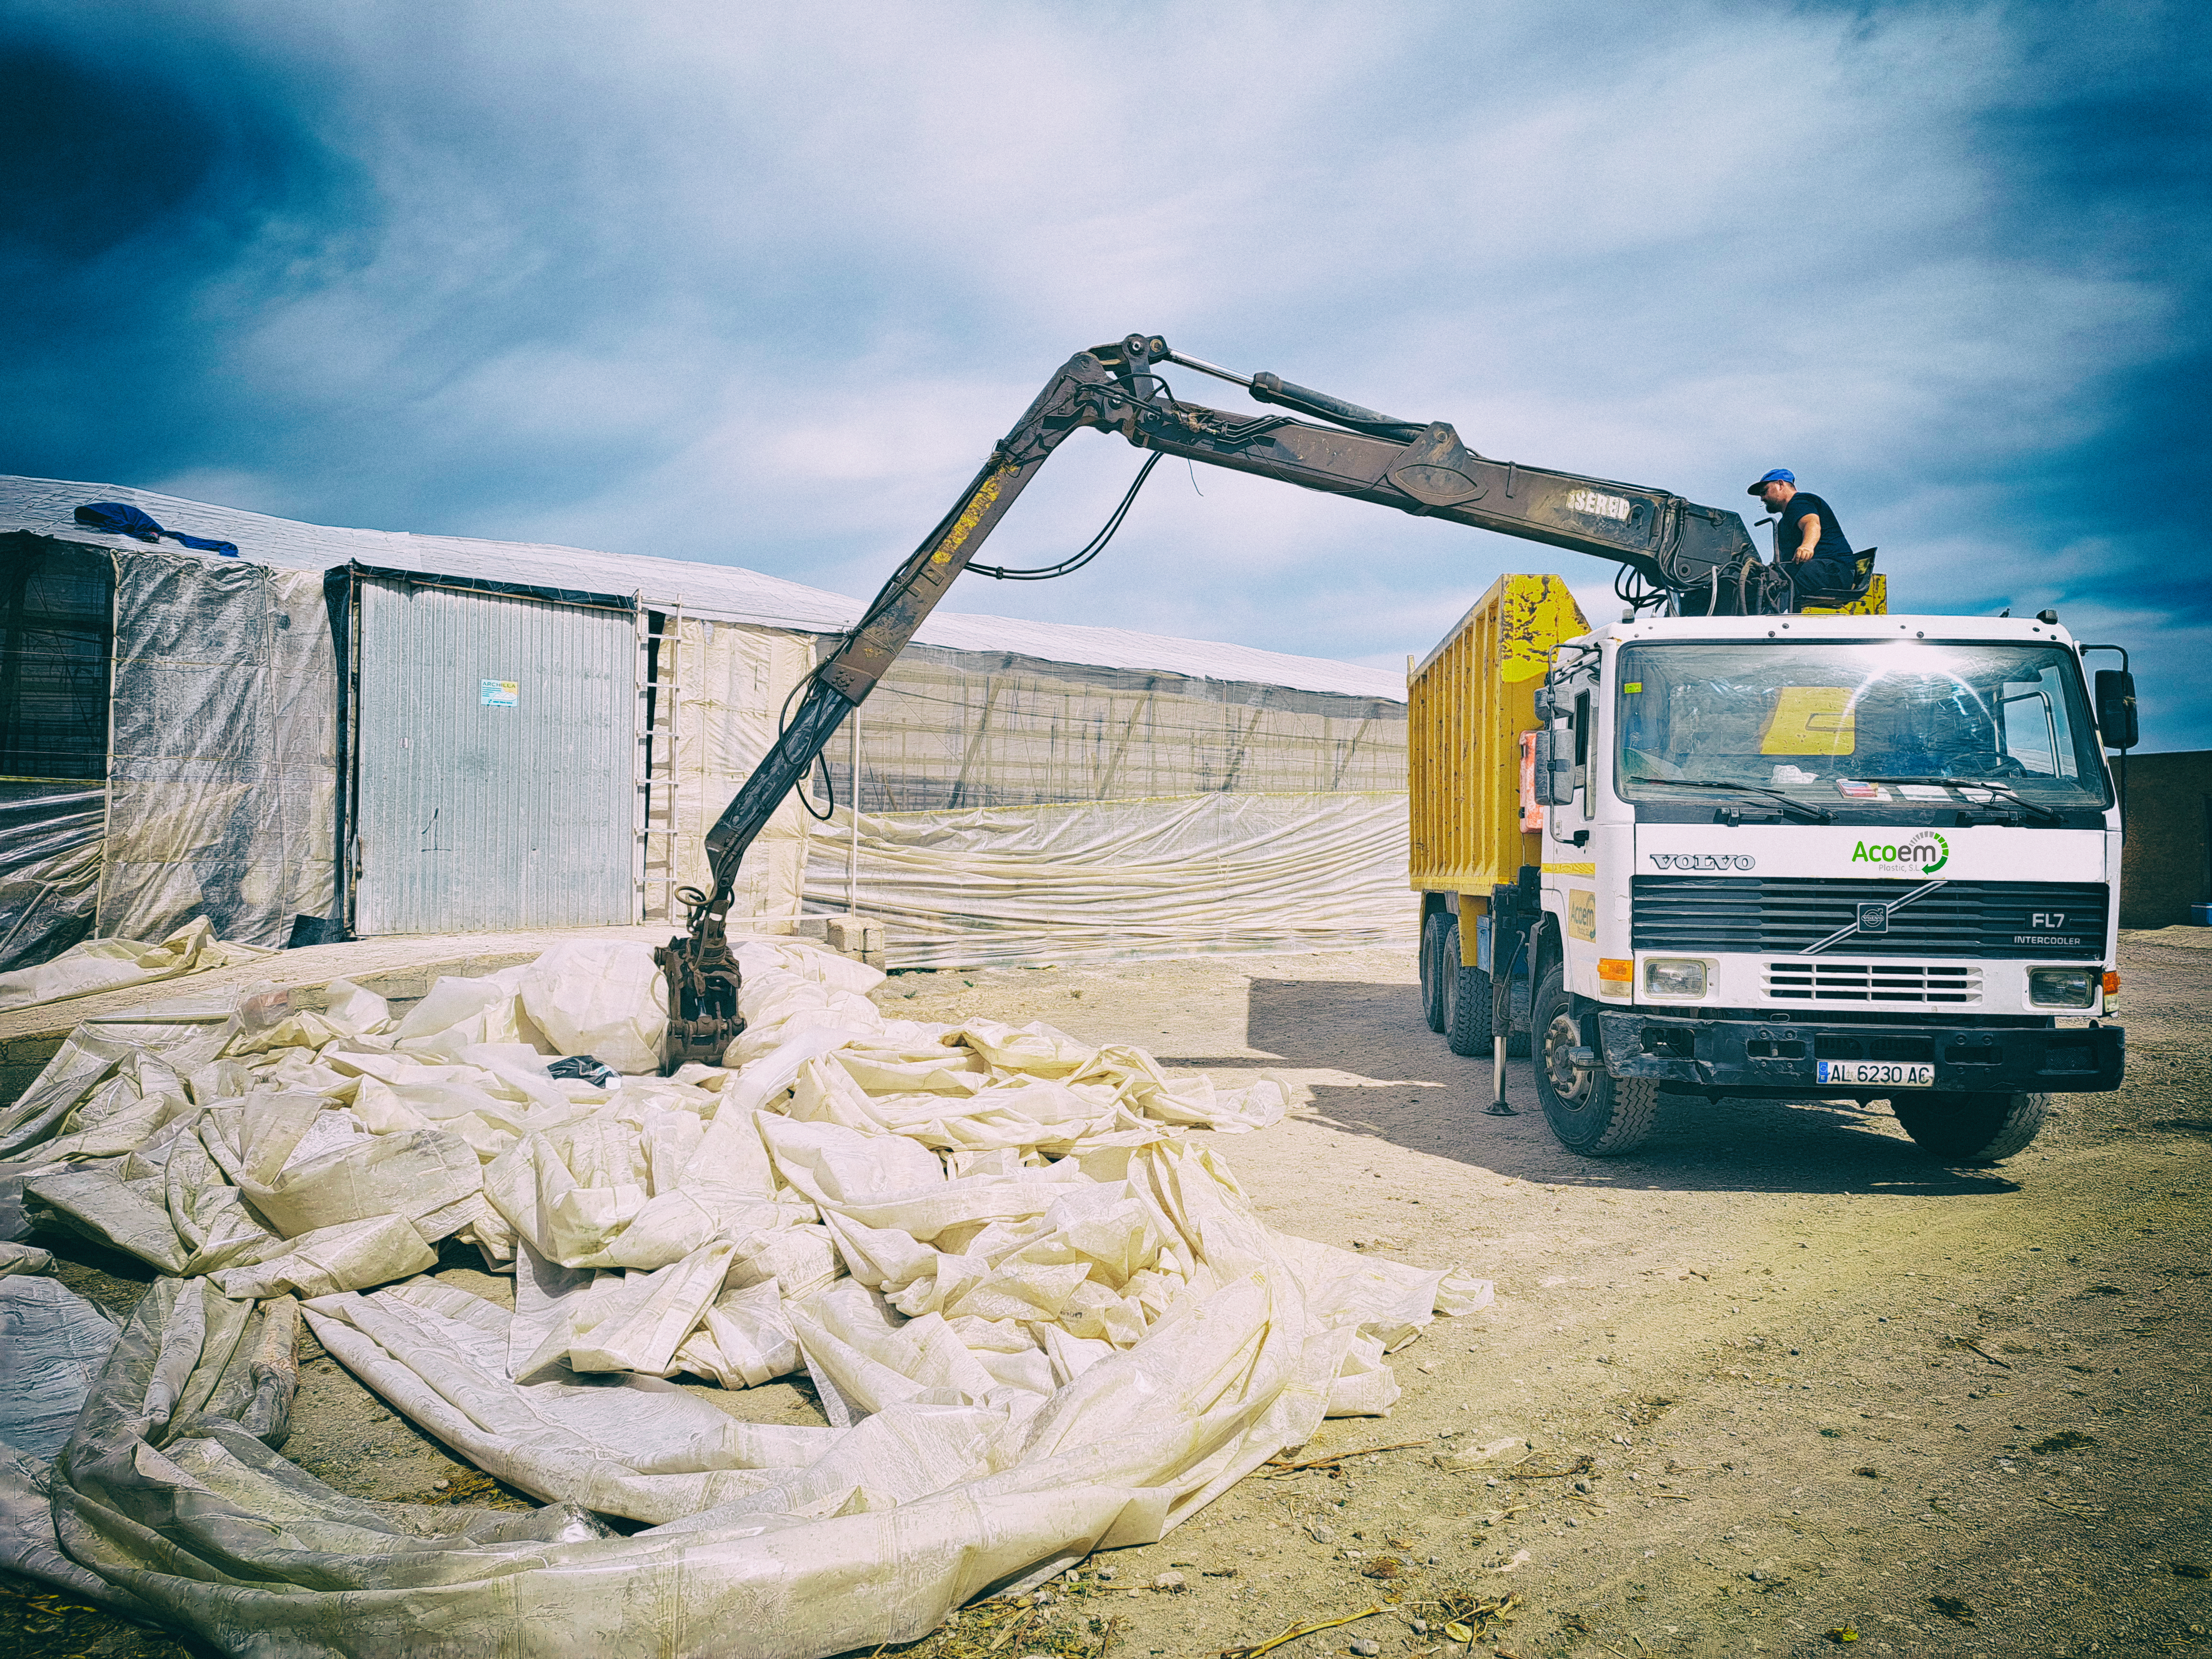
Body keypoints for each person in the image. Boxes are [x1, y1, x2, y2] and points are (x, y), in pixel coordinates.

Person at [1746, 469, 1856, 604]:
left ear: (1780, 484)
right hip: (1817, 571)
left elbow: (1812, 523)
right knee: (1765, 583)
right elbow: (1781, 563)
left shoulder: (1800, 502)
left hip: (1834, 572)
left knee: (1781, 584)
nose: (1762, 498)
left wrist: (1807, 546)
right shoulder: (1783, 524)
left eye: (1764, 492)